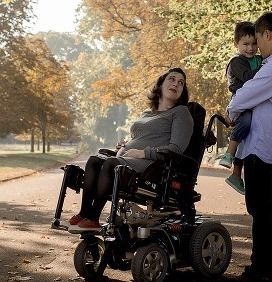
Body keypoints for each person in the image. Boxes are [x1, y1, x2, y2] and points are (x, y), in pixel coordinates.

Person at [69, 67, 195, 231]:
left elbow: (176, 149)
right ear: (161, 84)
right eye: (172, 79)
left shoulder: (181, 113)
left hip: (153, 165)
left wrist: (142, 152)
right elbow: (142, 137)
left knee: (111, 165)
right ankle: (84, 212)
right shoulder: (146, 114)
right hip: (128, 158)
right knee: (94, 160)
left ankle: (93, 217)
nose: (176, 84)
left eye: (181, 83)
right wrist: (125, 145)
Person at [226, 12, 272, 282]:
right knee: (269, 205)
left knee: (259, 205)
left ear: (266, 34)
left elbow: (245, 94)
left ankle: (261, 270)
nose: (256, 46)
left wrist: (230, 111)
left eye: (257, 39)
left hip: (262, 144)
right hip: (269, 142)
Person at [219, 21, 262, 195]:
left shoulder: (259, 59)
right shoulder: (237, 62)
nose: (250, 48)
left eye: (254, 44)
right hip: (241, 100)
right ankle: (229, 152)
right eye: (245, 44)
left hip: (254, 101)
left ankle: (236, 175)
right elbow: (248, 77)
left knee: (249, 138)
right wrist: (266, 68)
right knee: (246, 122)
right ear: (236, 44)